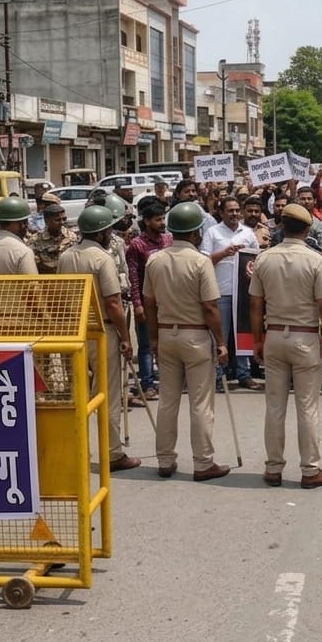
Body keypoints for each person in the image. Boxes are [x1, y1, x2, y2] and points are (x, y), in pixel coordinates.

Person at [249, 203, 322, 489]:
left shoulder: (265, 259)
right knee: (307, 406)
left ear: (282, 226)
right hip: (304, 337)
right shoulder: (315, 260)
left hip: (274, 334)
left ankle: (273, 467)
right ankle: (310, 469)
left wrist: (257, 340)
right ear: (307, 229)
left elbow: (255, 304)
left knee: (274, 405)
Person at [143, 201, 229, 482]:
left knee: (168, 400)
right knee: (201, 402)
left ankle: (165, 459)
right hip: (196, 335)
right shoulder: (200, 262)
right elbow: (211, 308)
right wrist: (221, 341)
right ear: (194, 233)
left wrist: (154, 337)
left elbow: (149, 303)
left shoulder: (155, 259)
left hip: (167, 333)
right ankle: (203, 462)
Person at [58, 205, 142, 472]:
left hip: (75, 331)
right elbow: (114, 302)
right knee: (109, 394)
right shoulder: (102, 258)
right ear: (104, 231)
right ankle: (113, 452)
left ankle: (77, 448)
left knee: (79, 393)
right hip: (102, 330)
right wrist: (125, 336)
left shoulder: (66, 256)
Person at [201, 196, 261, 391]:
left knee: (243, 335)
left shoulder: (248, 233)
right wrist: (224, 253)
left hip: (244, 293)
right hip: (221, 293)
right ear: (221, 212)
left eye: (237, 210)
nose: (234, 214)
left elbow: (257, 259)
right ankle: (218, 375)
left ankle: (244, 374)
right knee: (221, 336)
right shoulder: (212, 233)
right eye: (230, 211)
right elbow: (204, 261)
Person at [127, 199, 172, 400]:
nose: (162, 223)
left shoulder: (168, 240)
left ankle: (169, 381)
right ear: (146, 221)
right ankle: (147, 383)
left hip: (169, 301)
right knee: (146, 345)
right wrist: (137, 304)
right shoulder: (137, 245)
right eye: (157, 220)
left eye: (163, 219)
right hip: (147, 301)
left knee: (167, 343)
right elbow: (134, 276)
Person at [28, 203, 78, 274]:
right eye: (57, 220)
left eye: (64, 219)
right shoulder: (35, 240)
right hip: (46, 281)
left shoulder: (72, 237)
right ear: (47, 221)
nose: (62, 222)